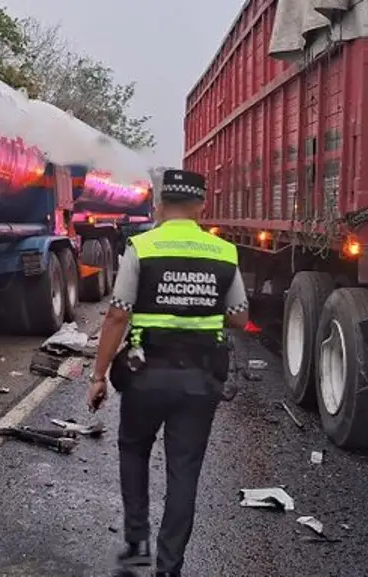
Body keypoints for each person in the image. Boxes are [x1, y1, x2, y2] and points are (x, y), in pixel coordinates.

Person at [86, 169, 250, 577]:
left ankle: (137, 543)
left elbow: (117, 314)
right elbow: (239, 317)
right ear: (201, 207)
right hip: (201, 380)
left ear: (159, 206)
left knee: (134, 449)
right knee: (184, 470)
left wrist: (98, 375)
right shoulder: (224, 252)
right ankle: (169, 566)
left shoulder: (141, 247)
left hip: (145, 376)